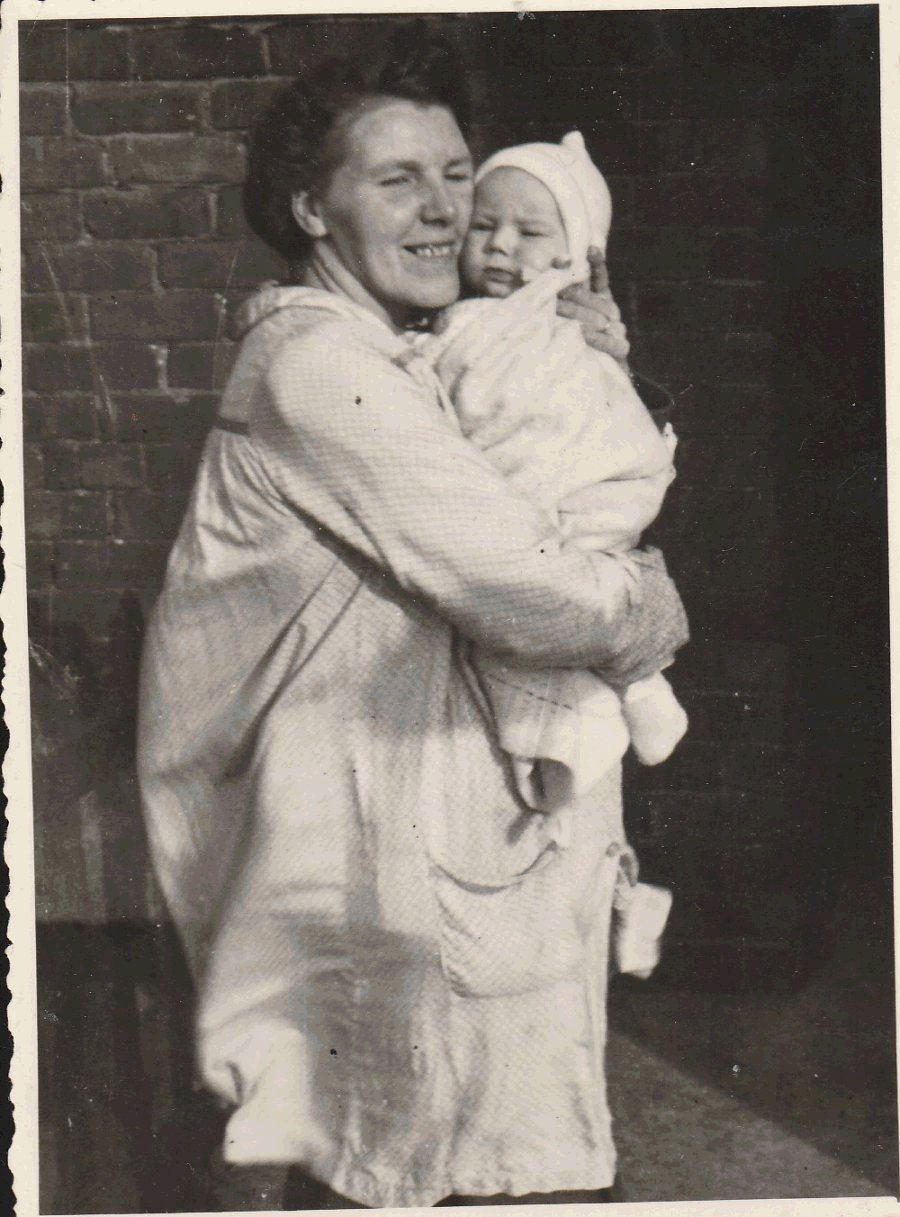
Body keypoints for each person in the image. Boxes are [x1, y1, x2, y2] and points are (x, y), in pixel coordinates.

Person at [137, 29, 689, 1209]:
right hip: (343, 866)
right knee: (383, 1156)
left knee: (413, 1143)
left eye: (456, 172)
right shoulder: (320, 371)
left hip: (389, 846)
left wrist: (574, 357)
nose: (449, 210)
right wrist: (642, 602)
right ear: (311, 208)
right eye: (398, 181)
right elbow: (521, 577)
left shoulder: (396, 352)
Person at [416, 130, 689, 837]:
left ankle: (618, 698)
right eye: (484, 225)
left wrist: (615, 368)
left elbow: (579, 419)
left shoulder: (569, 325)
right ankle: (613, 704)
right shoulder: (454, 319)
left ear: (572, 255)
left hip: (578, 508)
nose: (501, 245)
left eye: (528, 231)